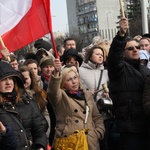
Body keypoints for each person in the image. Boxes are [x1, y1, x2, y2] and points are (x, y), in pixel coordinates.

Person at [107, 17, 150, 150]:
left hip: (146, 124)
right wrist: (121, 36)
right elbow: (114, 57)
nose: (136, 50)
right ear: (123, 52)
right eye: (130, 48)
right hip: (130, 126)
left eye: (137, 47)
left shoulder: (145, 70)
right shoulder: (118, 69)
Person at [47, 58, 105, 150]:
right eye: (69, 80)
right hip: (69, 144)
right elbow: (52, 91)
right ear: (63, 83)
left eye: (75, 78)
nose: (74, 82)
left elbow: (96, 117)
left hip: (89, 142)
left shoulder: (87, 95)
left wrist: (97, 133)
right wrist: (56, 73)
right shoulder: (61, 97)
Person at [0, 61, 48, 150]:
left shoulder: (27, 101)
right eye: (3, 79)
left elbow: (40, 130)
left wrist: (40, 146)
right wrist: (4, 133)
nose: (8, 83)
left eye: (11, 79)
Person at [79, 45, 113, 150]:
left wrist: (108, 94)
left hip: (103, 114)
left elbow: (112, 89)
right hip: (87, 113)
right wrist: (85, 92)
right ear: (89, 56)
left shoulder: (106, 72)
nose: (100, 56)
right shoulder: (80, 71)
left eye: (102, 55)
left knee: (104, 143)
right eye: (97, 54)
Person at [19, 65, 50, 143]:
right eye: (21, 79)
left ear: (31, 79)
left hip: (40, 135)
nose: (23, 81)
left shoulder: (39, 93)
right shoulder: (16, 98)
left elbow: (45, 114)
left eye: (25, 79)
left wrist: (44, 134)